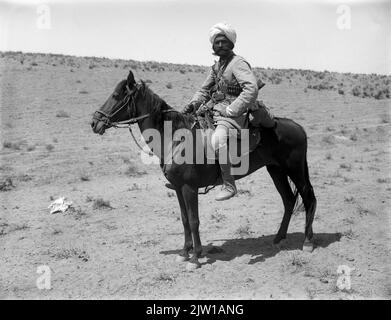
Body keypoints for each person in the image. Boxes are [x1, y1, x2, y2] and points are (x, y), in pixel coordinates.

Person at [182, 22, 262, 201]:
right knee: (190, 132)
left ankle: (229, 184)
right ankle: (185, 177)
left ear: (231, 44)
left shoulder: (237, 63)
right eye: (216, 42)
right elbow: (203, 90)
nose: (219, 45)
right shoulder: (217, 66)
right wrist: (193, 104)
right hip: (214, 110)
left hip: (233, 113)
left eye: (223, 42)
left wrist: (232, 109)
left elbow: (251, 89)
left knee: (217, 139)